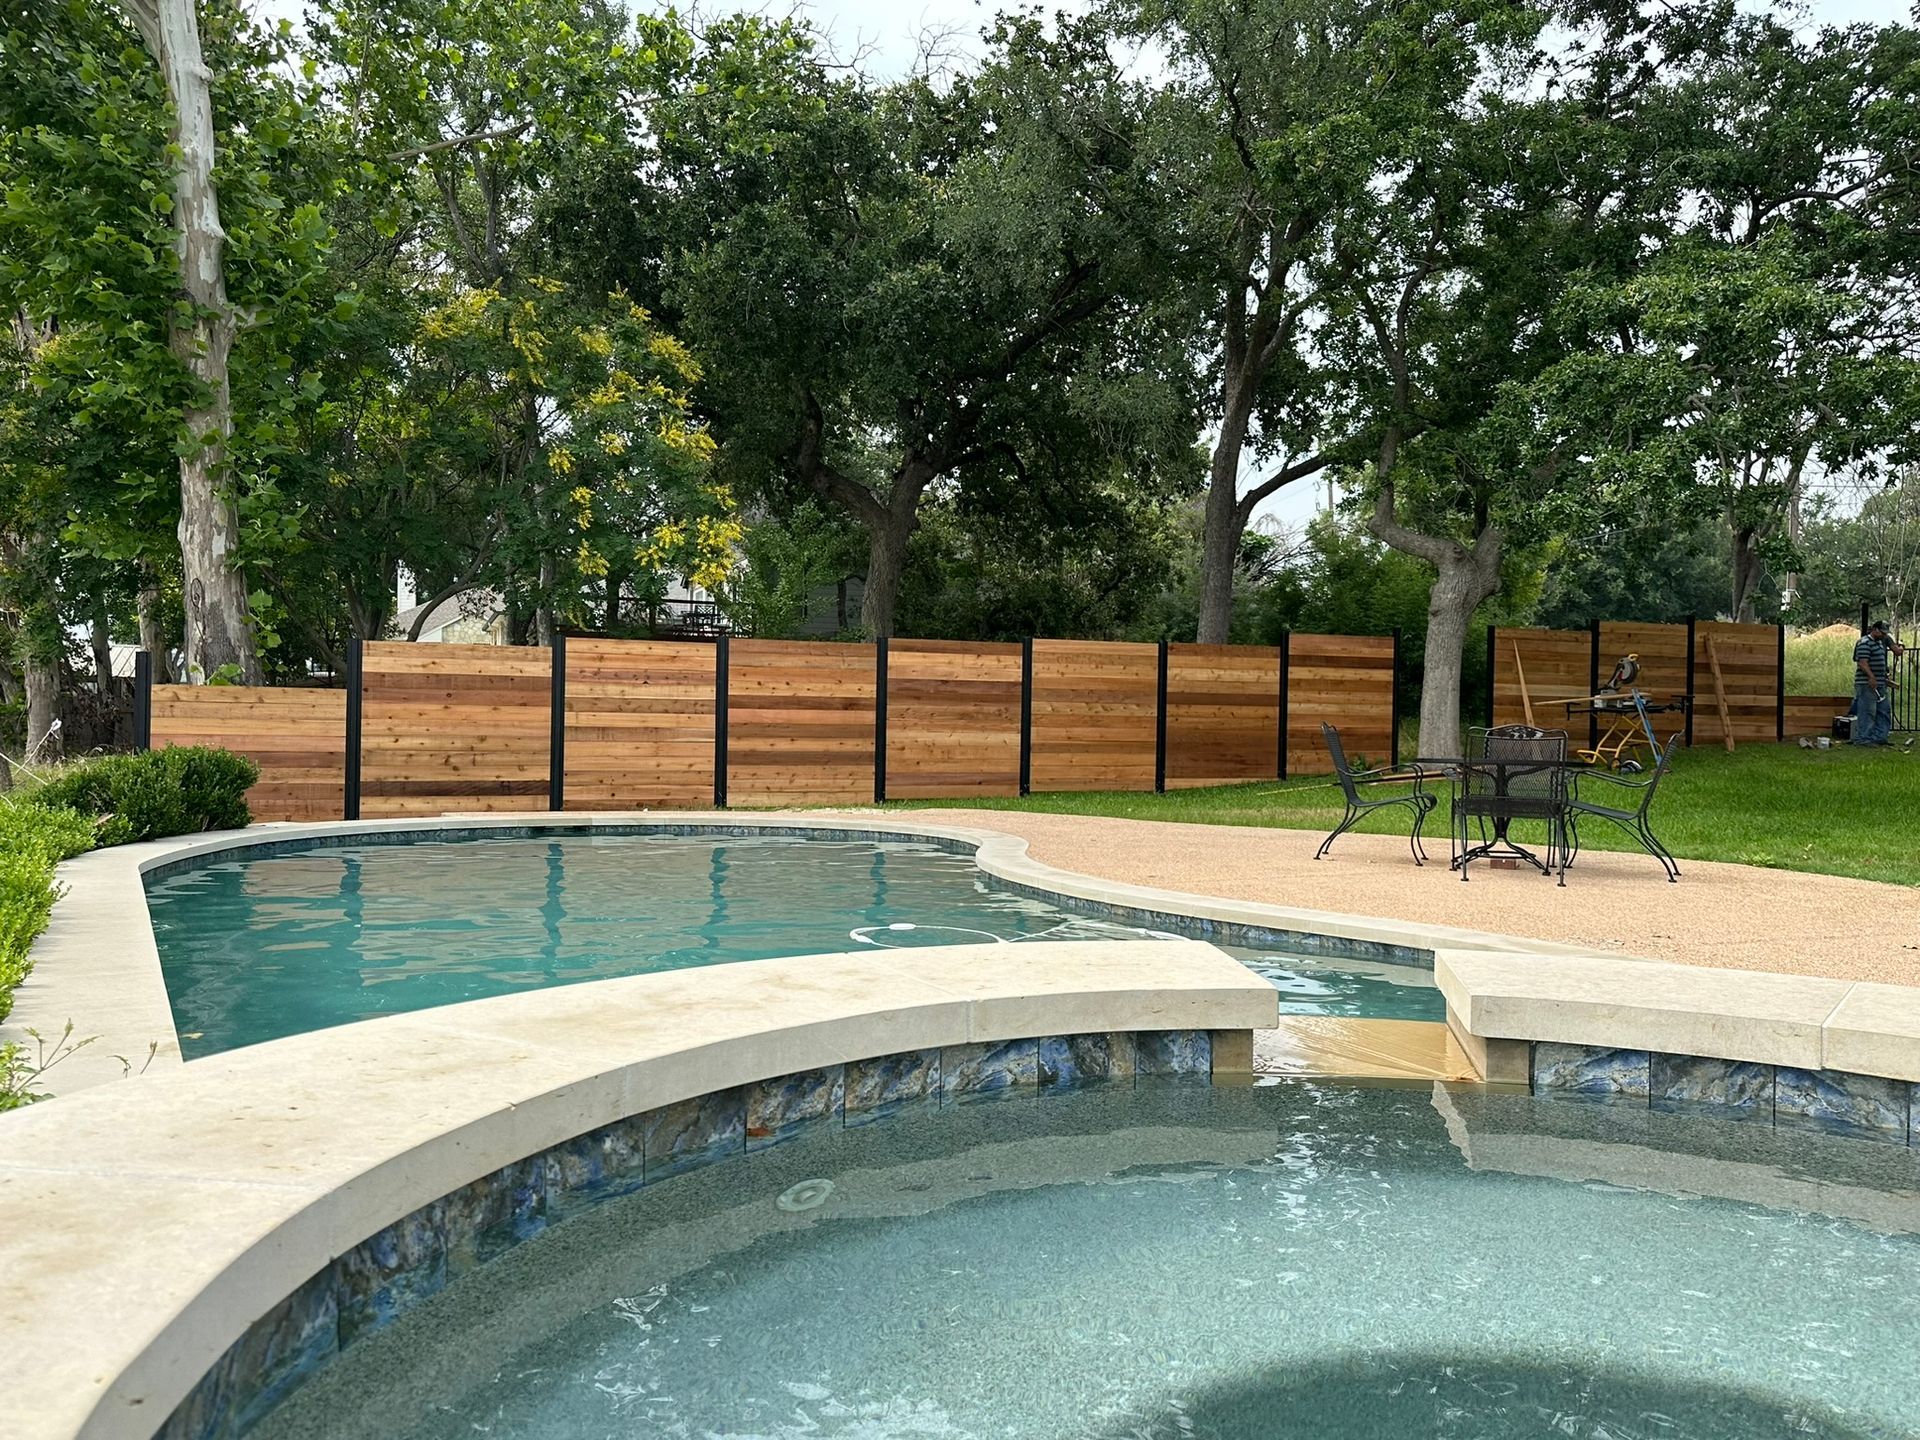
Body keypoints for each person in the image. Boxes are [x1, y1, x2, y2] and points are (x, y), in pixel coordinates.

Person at [1851, 620, 1903, 746]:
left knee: (1884, 710)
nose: (1884, 635)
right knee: (1867, 711)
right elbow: (1862, 662)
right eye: (1882, 632)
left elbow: (1894, 651)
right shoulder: (1864, 643)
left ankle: (1880, 736)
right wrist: (1871, 677)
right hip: (1867, 683)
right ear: (1875, 629)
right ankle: (1863, 738)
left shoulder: (1880, 642)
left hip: (1880, 682)